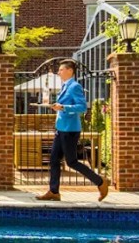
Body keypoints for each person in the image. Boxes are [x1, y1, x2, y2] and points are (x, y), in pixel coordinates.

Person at [36, 59, 109, 202]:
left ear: (70, 71)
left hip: (70, 130)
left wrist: (63, 108)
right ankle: (54, 191)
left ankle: (100, 181)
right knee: (54, 160)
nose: (58, 72)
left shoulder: (75, 86)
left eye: (61, 70)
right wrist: (56, 106)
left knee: (72, 162)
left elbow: (82, 107)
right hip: (61, 129)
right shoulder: (65, 86)